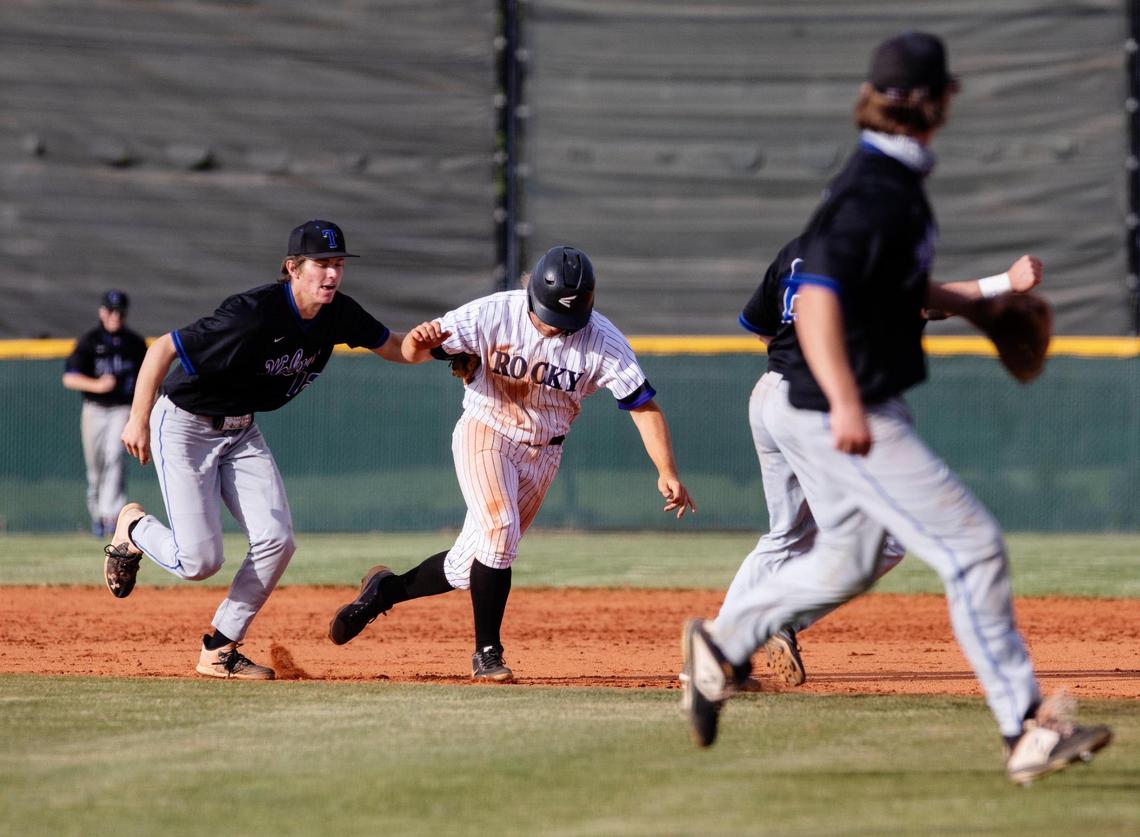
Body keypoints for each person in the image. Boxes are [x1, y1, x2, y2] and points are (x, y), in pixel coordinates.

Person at [681, 32, 1112, 786]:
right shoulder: (879, 189)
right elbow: (816, 296)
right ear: (941, 103)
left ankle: (720, 646)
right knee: (973, 545)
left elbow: (896, 290)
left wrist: (986, 305)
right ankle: (1025, 728)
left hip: (836, 400)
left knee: (849, 557)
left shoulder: (887, 181)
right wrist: (845, 401)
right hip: (851, 408)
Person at [328, 244, 696, 681]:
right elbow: (415, 351)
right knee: (500, 533)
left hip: (545, 451)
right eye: (549, 316)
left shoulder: (604, 341)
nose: (556, 329)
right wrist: (421, 344)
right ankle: (488, 654)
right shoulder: (493, 312)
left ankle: (383, 591)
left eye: (568, 321)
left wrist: (667, 470)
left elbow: (643, 406)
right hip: (488, 429)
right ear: (531, 295)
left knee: (469, 566)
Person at [102, 220, 412, 680]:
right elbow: (163, 348)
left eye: (338, 265)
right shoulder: (251, 314)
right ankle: (134, 528)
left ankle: (219, 649)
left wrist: (445, 348)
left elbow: (394, 346)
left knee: (278, 540)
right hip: (186, 424)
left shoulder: (338, 313)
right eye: (321, 264)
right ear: (293, 268)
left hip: (242, 429)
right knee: (199, 562)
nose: (332, 275)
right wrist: (137, 417)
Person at [724, 245, 1043, 688]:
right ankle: (778, 623)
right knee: (882, 540)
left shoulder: (795, 253)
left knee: (785, 535)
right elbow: (928, 298)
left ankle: (719, 653)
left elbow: (761, 329)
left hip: (770, 393)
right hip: (817, 402)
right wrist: (1004, 283)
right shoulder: (866, 254)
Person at [63, 290, 148, 538]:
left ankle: (112, 516)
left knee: (115, 457)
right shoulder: (90, 341)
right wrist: (97, 385)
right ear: (102, 312)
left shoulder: (134, 343)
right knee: (96, 464)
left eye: (120, 312)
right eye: (111, 311)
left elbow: (149, 375)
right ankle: (98, 516)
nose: (115, 316)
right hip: (95, 409)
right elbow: (69, 377)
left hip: (122, 408)